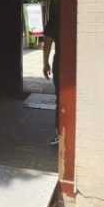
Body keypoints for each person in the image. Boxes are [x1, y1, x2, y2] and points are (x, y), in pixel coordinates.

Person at [43, 9, 60, 146]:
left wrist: (45, 63)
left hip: (60, 61)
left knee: (61, 96)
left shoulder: (55, 19)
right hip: (74, 60)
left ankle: (59, 132)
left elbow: (47, 42)